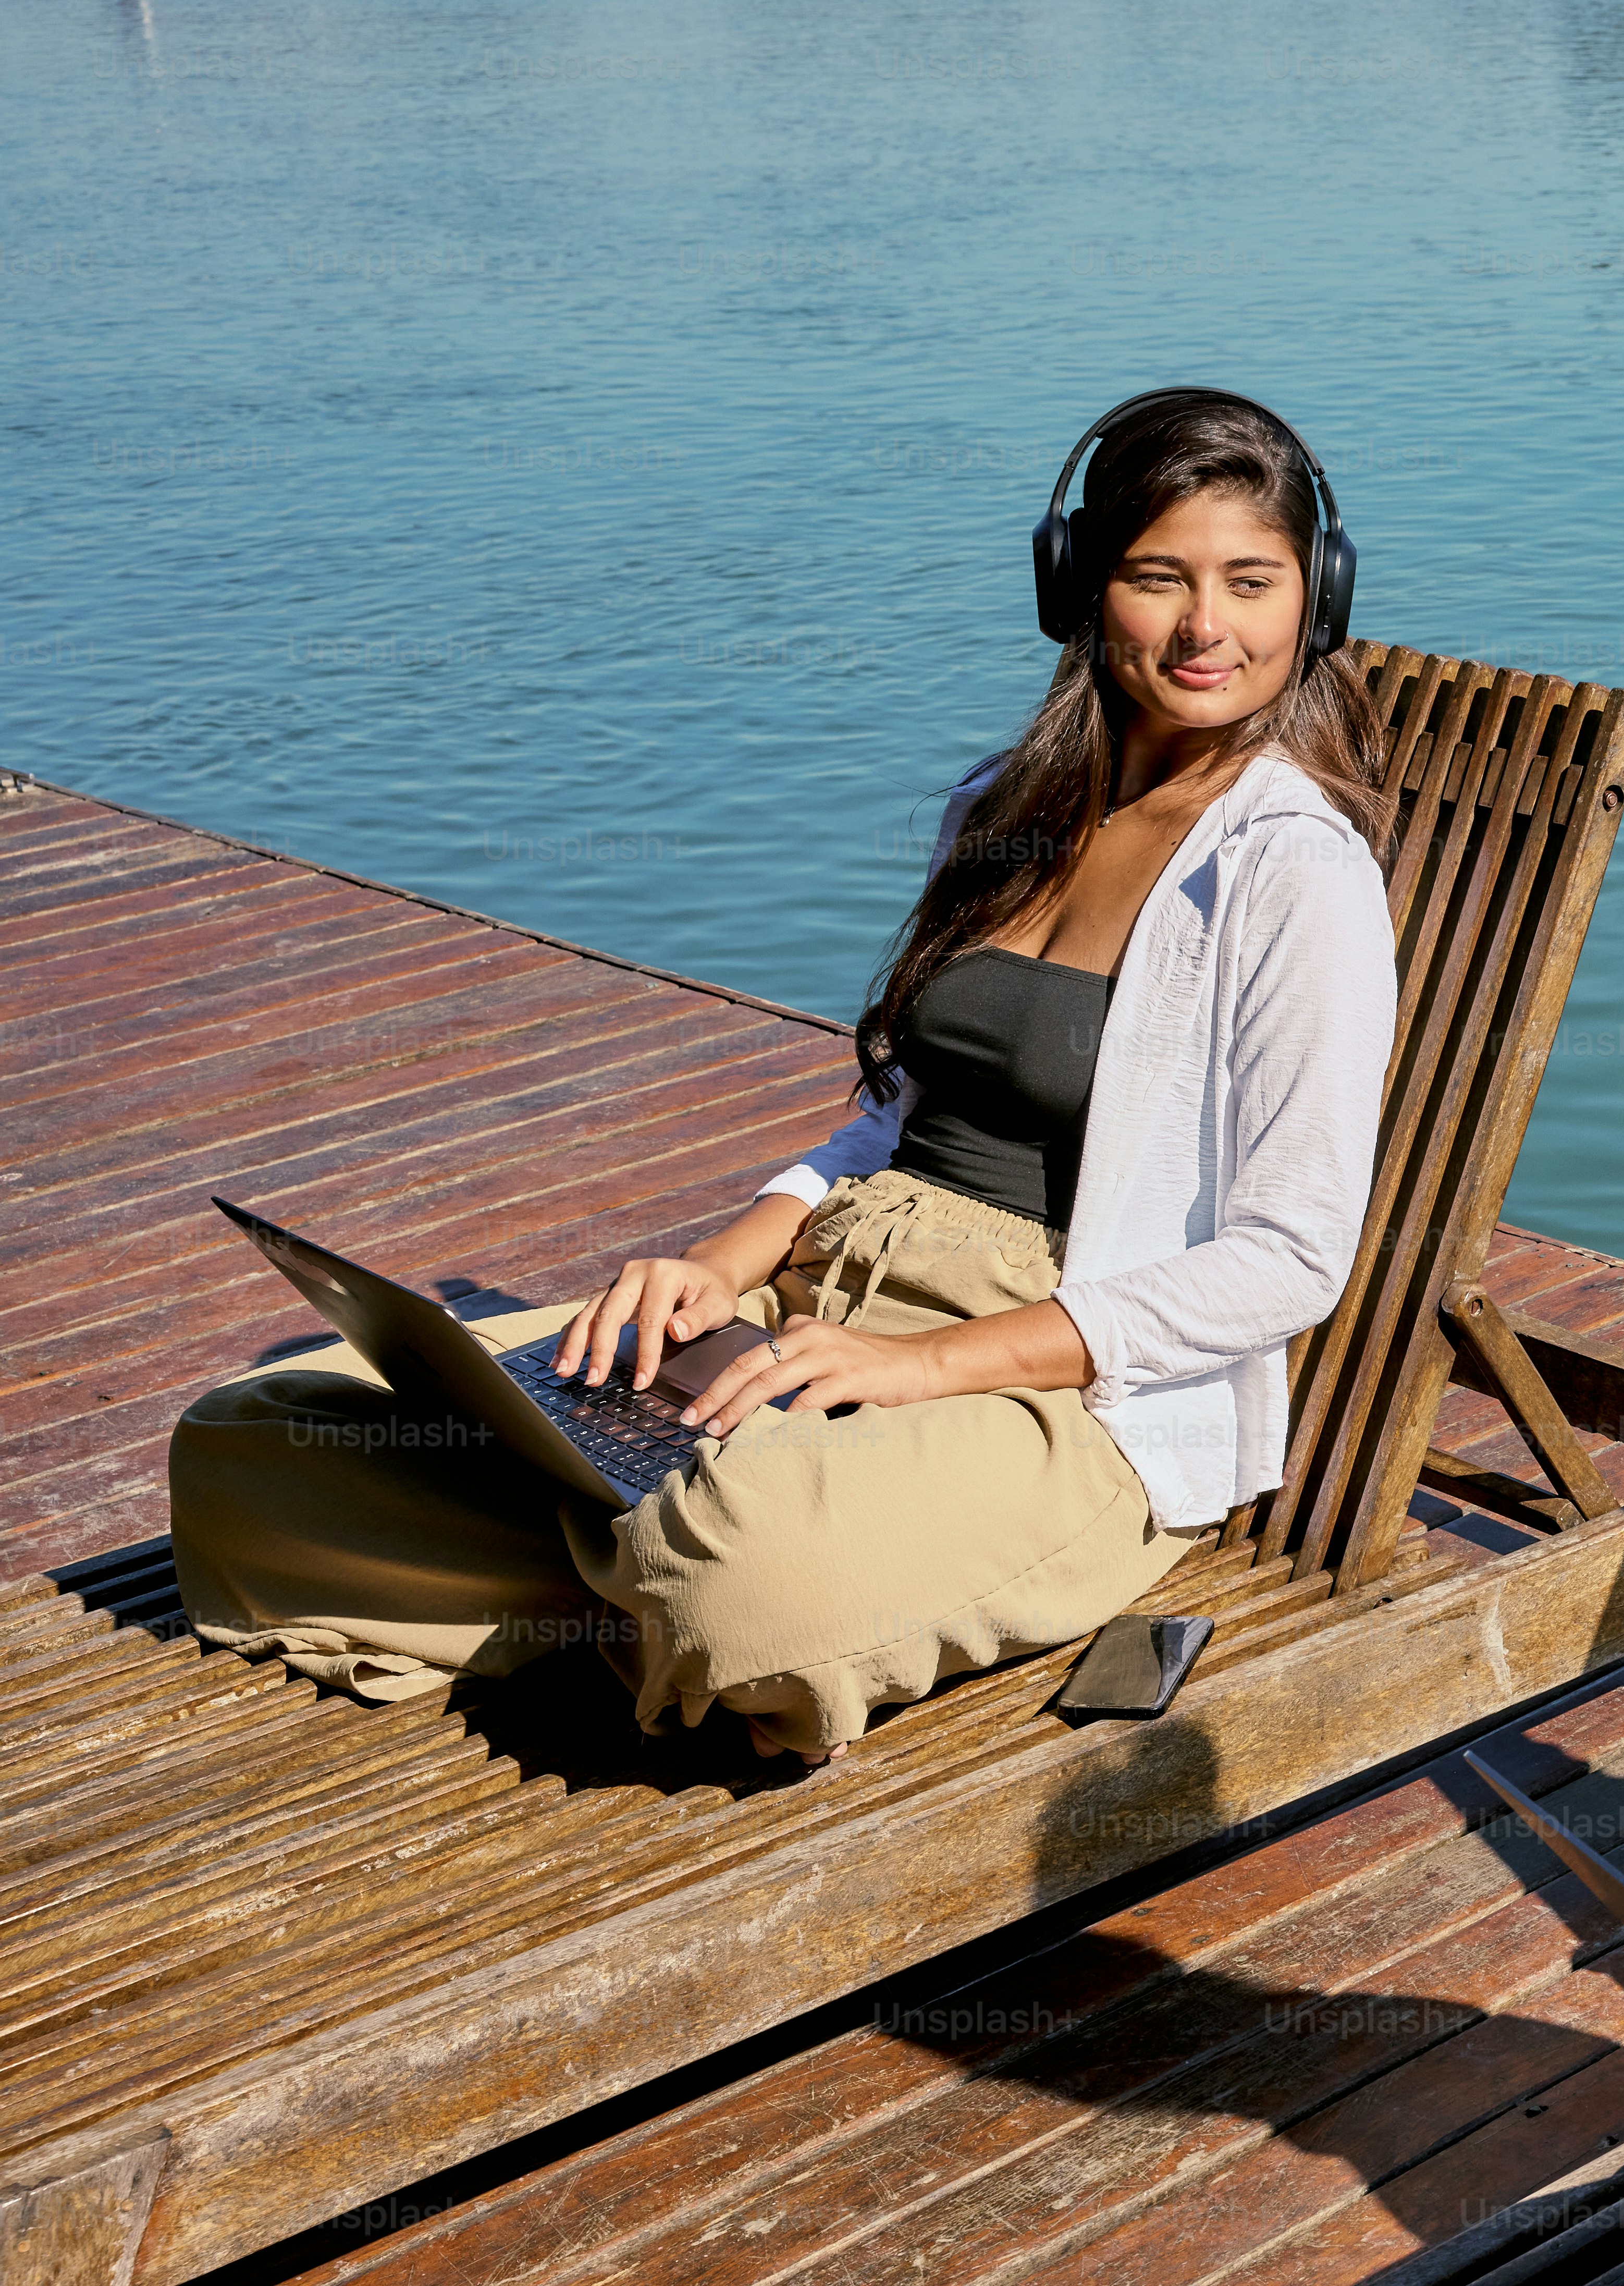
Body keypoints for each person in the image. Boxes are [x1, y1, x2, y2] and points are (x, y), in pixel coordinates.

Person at [169, 388, 1398, 1768]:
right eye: (1155, 575)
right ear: (1075, 585)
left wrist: (921, 1366)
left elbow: (1290, 1260)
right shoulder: (1003, 806)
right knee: (269, 1423)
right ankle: (637, 1574)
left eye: (1251, 582)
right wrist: (721, 1258)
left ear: (1318, 598)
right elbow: (894, 1117)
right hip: (812, 1302)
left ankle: (626, 1557)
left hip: (1062, 1385)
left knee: (735, 1555)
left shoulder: (1293, 871)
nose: (1202, 629)